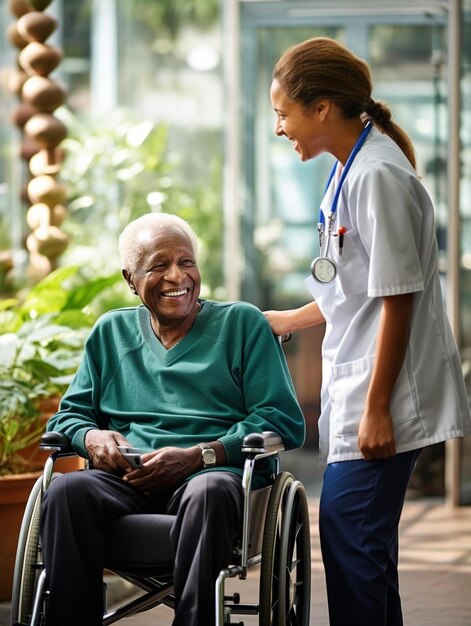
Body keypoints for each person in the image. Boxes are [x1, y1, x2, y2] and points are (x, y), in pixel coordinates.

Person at [264, 36, 471, 626]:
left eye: (284, 113)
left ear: (322, 107)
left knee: (353, 548)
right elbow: (353, 288)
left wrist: (378, 407)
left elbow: (399, 297)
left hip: (382, 397)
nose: (280, 127)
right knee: (363, 555)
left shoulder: (375, 174)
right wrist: (285, 319)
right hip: (363, 386)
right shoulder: (350, 170)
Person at [40, 212, 305, 626]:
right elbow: (68, 417)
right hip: (127, 479)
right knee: (67, 492)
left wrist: (202, 455)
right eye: (159, 265)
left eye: (186, 262)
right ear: (131, 279)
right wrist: (91, 438)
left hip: (210, 476)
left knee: (210, 491)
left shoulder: (241, 324)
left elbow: (282, 419)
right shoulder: (111, 333)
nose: (176, 276)